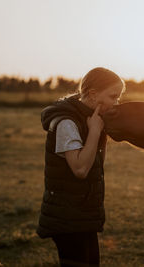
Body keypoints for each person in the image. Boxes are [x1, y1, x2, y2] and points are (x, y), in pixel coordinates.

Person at [36, 67, 126, 266]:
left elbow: (94, 164)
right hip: (67, 218)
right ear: (93, 95)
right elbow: (80, 169)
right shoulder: (67, 123)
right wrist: (95, 131)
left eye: (118, 97)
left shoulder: (91, 118)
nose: (116, 103)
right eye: (113, 96)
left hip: (82, 215)